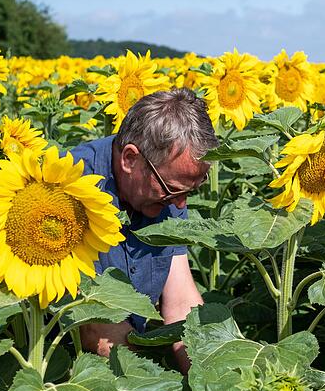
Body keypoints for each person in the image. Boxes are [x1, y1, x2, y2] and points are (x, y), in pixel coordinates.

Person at [70, 88, 218, 373]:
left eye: (191, 191)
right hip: (67, 366)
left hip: (129, 352)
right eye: (172, 191)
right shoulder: (68, 191)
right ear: (129, 159)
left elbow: (181, 302)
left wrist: (212, 380)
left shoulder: (170, 184)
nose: (180, 204)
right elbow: (95, 327)